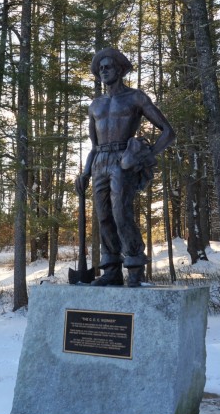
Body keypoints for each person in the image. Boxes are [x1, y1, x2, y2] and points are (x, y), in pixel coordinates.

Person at [75, 48, 175, 287]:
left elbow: (168, 132)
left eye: (108, 67)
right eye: (100, 69)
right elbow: (94, 145)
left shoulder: (136, 98)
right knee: (104, 216)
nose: (103, 71)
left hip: (123, 160)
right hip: (100, 161)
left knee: (121, 214)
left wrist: (145, 156)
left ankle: (135, 266)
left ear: (119, 70)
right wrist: (85, 172)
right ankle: (111, 269)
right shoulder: (95, 105)